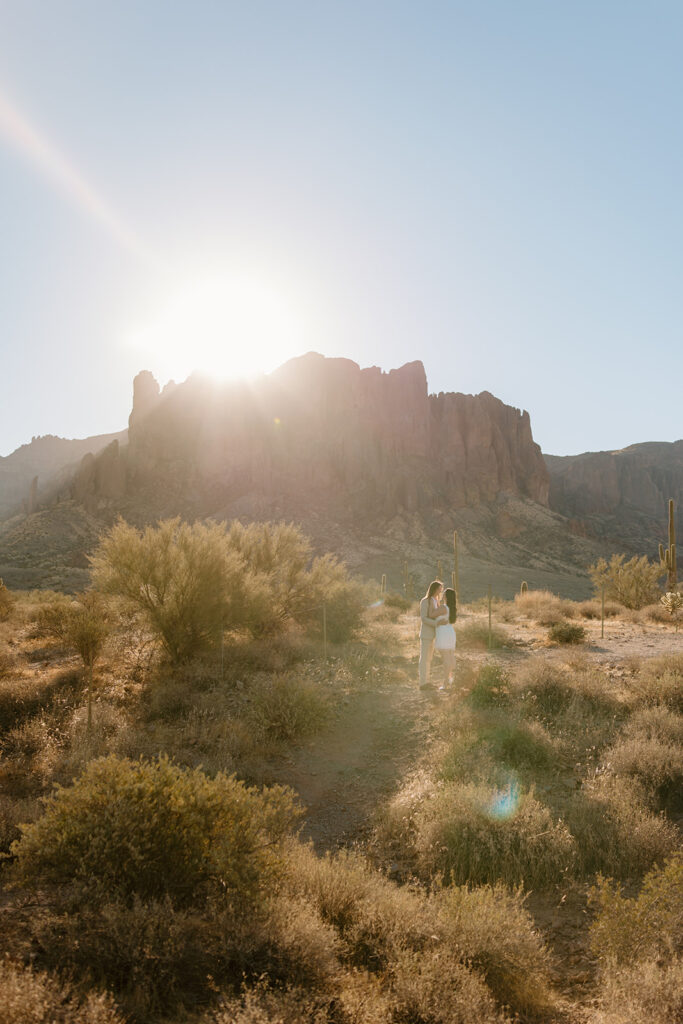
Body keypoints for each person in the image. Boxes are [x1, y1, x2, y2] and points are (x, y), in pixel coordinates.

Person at [419, 580, 443, 689]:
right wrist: (436, 624)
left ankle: (427, 682)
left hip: (433, 635)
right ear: (434, 589)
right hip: (426, 634)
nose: (440, 591)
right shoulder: (425, 601)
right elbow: (424, 618)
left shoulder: (436, 601)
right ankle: (423, 683)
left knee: (429, 659)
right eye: (439, 589)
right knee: (424, 659)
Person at [434, 587, 457, 688]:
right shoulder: (452, 608)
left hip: (443, 633)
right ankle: (452, 680)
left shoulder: (443, 608)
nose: (442, 595)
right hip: (450, 632)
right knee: (451, 657)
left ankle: (445, 683)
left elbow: (431, 614)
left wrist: (437, 622)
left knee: (446, 659)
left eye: (443, 594)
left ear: (446, 596)